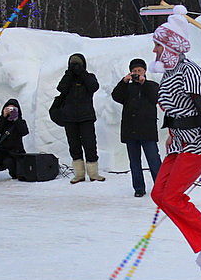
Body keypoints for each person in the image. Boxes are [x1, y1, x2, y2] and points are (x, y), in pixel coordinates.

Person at [149, 5, 201, 277]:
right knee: (159, 195)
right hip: (178, 142)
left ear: (170, 46)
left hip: (197, 143)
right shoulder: (168, 72)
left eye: (157, 46)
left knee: (172, 196)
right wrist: (172, 131)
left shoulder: (190, 71)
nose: (154, 51)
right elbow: (175, 108)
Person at [111, 58, 162, 197]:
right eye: (134, 71)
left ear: (145, 71)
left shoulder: (151, 85)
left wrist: (143, 83)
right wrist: (124, 81)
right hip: (131, 130)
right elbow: (115, 96)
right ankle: (139, 188)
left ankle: (161, 188)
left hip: (147, 130)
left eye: (139, 71)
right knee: (134, 162)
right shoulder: (127, 88)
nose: (137, 73)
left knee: (154, 160)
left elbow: (156, 97)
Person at [55, 53, 105, 183]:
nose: (75, 66)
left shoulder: (89, 77)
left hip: (86, 117)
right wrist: (69, 74)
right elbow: (60, 88)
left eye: (78, 64)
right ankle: (79, 174)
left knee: (90, 145)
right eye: (73, 64)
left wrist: (82, 73)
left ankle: (93, 174)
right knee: (74, 146)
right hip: (69, 118)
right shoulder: (68, 78)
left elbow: (94, 86)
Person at [0, 98, 29, 185]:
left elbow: (24, 132)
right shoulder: (3, 121)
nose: (11, 111)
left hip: (15, 152)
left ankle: (14, 173)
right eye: (9, 108)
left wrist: (16, 119)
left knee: (9, 162)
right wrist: (3, 116)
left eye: (13, 109)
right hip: (3, 150)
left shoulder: (21, 122)